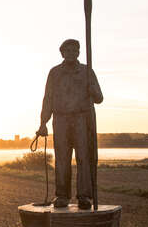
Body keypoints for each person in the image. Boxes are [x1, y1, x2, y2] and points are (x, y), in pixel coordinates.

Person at [37, 39, 103, 209]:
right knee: (61, 159)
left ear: (79, 53)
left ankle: (84, 196)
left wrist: (92, 89)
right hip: (61, 120)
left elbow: (99, 98)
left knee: (84, 158)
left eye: (74, 50)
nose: (71, 53)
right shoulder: (55, 73)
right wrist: (43, 122)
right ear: (62, 53)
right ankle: (62, 196)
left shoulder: (87, 71)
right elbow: (48, 98)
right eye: (68, 50)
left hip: (82, 120)